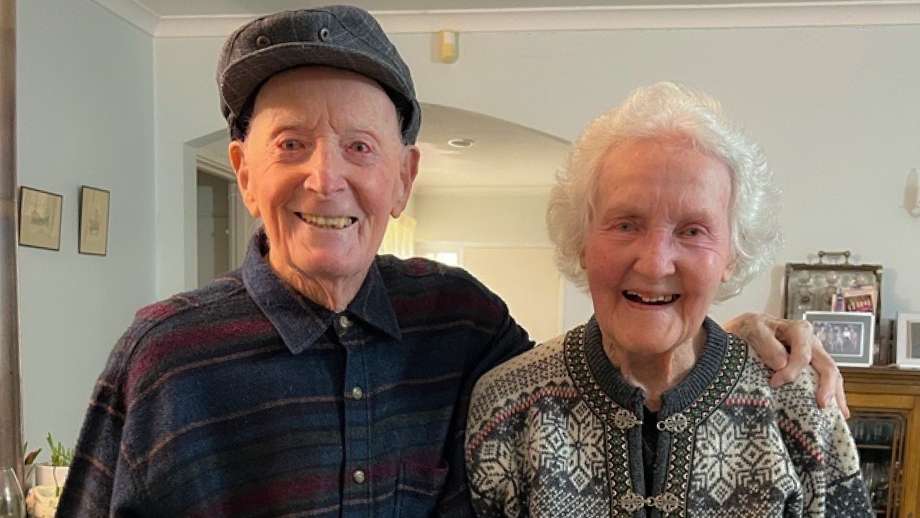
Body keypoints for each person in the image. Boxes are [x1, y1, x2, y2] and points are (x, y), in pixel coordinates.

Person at [58, 7, 846, 517]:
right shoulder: (163, 360)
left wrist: (733, 340)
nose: (325, 178)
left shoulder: (459, 323)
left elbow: (620, 357)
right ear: (243, 171)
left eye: (359, 147)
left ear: (403, 178)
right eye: (291, 144)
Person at [465, 82, 870, 517]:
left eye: (692, 230)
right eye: (626, 224)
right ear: (582, 241)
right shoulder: (508, 407)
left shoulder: (802, 405)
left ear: (733, 255)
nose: (655, 264)